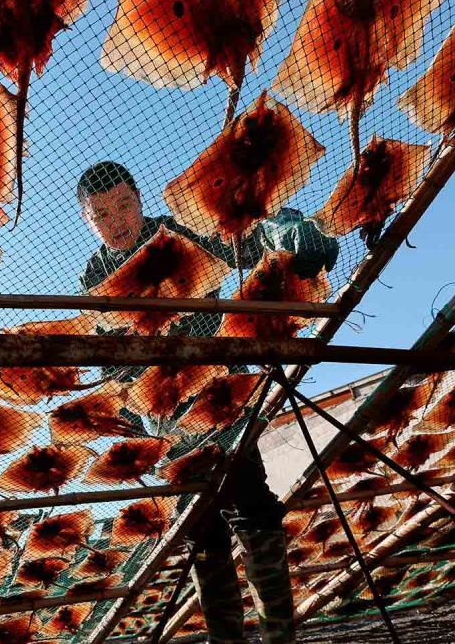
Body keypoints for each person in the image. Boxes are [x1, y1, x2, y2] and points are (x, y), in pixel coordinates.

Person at [76, 161, 337, 644]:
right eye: (102, 215)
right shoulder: (95, 273)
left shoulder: (176, 232)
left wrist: (283, 229)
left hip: (222, 401)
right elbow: (108, 358)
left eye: (123, 206)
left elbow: (239, 243)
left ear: (139, 199)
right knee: (200, 528)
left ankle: (279, 633)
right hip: (164, 420)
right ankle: (226, 639)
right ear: (89, 222)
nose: (117, 221)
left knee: (252, 505)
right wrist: (135, 412)